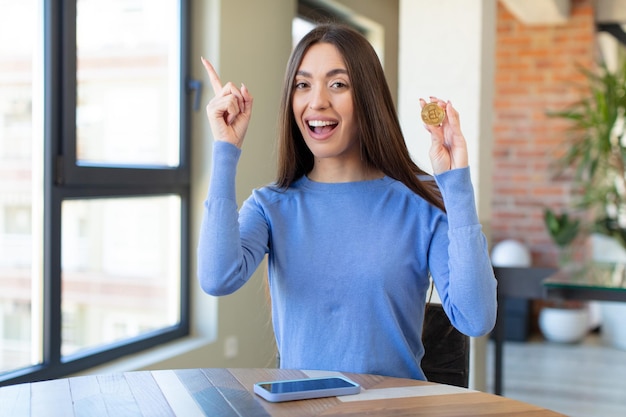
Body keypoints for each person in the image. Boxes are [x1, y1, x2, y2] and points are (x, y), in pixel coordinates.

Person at [197, 23, 497, 381]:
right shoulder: (270, 206)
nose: (317, 101)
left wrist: (456, 183)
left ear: (367, 97)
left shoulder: (419, 200)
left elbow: (475, 317)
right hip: (301, 408)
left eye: (338, 84)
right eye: (302, 85)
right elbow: (217, 278)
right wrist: (225, 151)